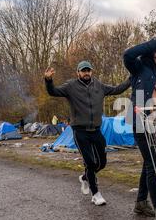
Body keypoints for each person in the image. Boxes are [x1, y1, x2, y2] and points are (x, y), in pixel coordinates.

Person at [44, 60, 131, 206]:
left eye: (88, 70)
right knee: (90, 163)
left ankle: (85, 178)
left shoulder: (99, 85)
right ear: (78, 72)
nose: (86, 73)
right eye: (83, 70)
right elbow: (53, 91)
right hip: (80, 131)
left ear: (91, 71)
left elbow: (118, 89)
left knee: (102, 163)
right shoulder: (71, 86)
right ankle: (96, 194)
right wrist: (48, 80)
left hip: (96, 130)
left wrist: (131, 78)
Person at [123, 36, 156, 220]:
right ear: (151, 50)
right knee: (153, 165)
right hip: (140, 122)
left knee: (151, 164)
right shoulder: (139, 67)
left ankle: (140, 203)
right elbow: (127, 55)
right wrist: (153, 43)